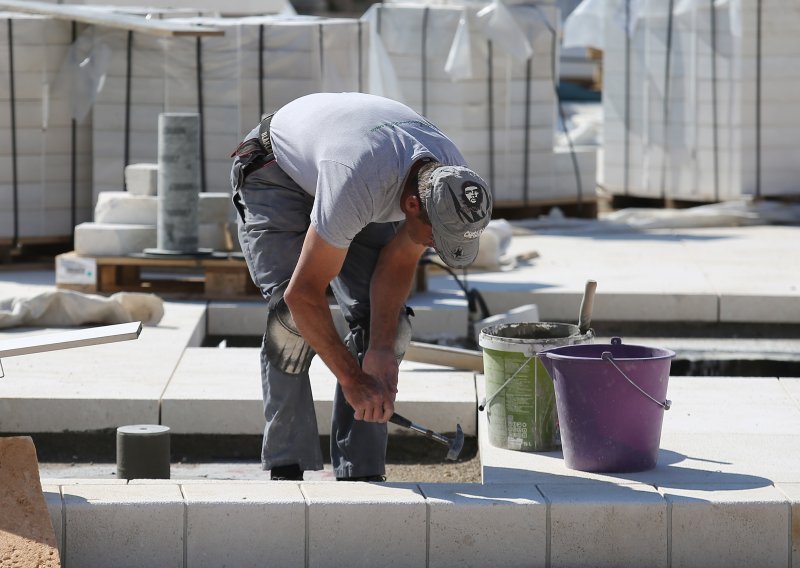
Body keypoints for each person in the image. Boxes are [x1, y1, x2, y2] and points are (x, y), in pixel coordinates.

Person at [230, 92, 492, 482]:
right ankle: (288, 467)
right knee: (292, 324)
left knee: (384, 326)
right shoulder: (360, 181)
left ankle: (362, 473)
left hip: (351, 169)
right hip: (276, 171)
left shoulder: (452, 183)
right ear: (414, 206)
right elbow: (302, 294)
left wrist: (382, 349)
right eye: (435, 237)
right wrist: (352, 380)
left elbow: (399, 261)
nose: (436, 246)